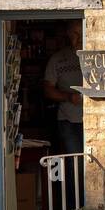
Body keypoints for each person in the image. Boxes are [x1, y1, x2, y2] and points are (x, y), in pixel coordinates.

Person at [42, 22, 84, 156]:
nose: (80, 38)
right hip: (69, 119)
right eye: (75, 34)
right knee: (74, 160)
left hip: (93, 117)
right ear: (68, 35)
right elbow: (48, 90)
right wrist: (69, 97)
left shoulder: (95, 57)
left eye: (82, 33)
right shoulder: (58, 59)